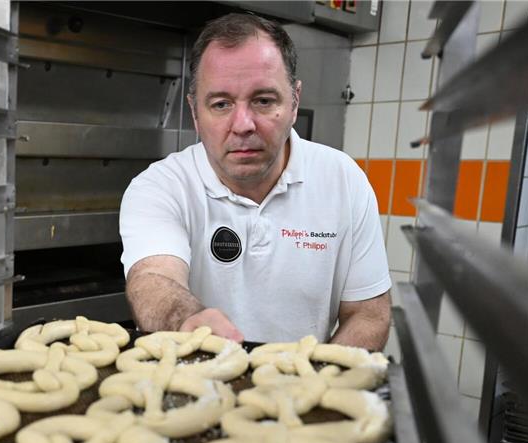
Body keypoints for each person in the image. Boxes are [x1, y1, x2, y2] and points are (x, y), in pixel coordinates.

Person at [120, 13, 391, 351]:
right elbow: (153, 279)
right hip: (194, 392)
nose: (243, 124)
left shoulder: (343, 181)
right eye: (221, 104)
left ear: (294, 101)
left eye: (263, 100)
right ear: (194, 113)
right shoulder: (160, 187)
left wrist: (312, 385)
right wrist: (186, 319)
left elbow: (369, 313)